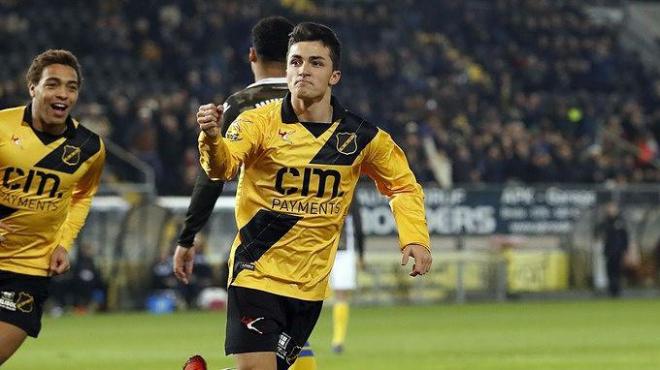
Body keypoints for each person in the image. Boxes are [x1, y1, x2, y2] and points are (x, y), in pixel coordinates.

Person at [178, 22, 432, 370]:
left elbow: (402, 185)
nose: (303, 71)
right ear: (286, 68)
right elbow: (222, 167)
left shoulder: (361, 137)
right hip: (257, 270)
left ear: (334, 76)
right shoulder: (257, 123)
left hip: (310, 286)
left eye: (315, 63)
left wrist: (415, 238)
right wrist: (210, 138)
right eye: (295, 62)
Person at [175, 16, 317, 370]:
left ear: (251, 55)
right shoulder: (318, 103)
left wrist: (188, 237)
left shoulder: (237, 107)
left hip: (262, 245)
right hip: (309, 247)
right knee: (290, 357)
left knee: (281, 358)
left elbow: (212, 176)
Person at [0, 49, 106, 364]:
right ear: (33, 87)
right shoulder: (3, 127)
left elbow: (82, 196)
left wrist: (63, 243)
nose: (63, 94)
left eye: (71, 87)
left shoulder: (89, 148)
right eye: (53, 84)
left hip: (28, 271)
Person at [329, 200, 364, 354]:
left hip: (335, 252)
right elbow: (359, 226)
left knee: (339, 294)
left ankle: (338, 340)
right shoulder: (351, 197)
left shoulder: (347, 196)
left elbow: (358, 225)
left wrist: (361, 253)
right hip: (335, 252)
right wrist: (362, 254)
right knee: (340, 295)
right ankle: (338, 340)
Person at [598, 201, 629, 297]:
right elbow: (598, 233)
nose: (611, 210)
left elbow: (625, 236)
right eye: (610, 208)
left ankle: (617, 290)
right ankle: (611, 290)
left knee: (617, 271)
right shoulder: (605, 222)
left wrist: (625, 249)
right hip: (608, 250)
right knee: (609, 270)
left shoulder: (620, 222)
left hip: (618, 251)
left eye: (613, 208)